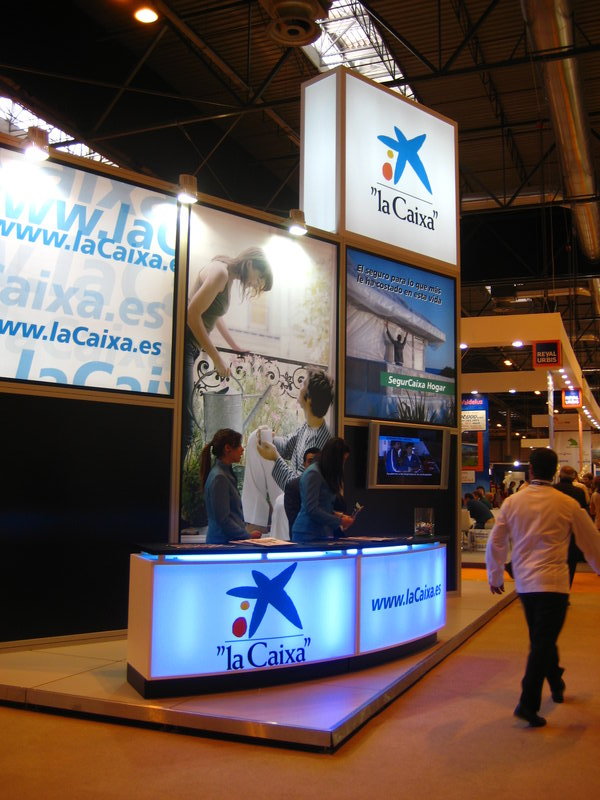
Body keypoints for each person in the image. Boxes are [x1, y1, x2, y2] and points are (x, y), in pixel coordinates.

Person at [486, 447, 600, 728]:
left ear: (531, 470)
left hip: (525, 584)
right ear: (555, 471)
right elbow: (590, 541)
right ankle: (528, 703)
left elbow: (496, 541)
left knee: (542, 639)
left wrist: (495, 575)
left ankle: (556, 681)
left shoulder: (512, 502)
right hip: (555, 583)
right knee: (543, 640)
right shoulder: (567, 504)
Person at [241, 369, 334, 531]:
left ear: (309, 399)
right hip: (291, 487)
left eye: (303, 384)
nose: (300, 387)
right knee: (256, 437)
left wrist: (275, 457)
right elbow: (287, 446)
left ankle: (258, 522)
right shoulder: (309, 426)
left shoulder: (319, 443)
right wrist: (269, 437)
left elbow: (301, 488)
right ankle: (256, 521)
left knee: (280, 501)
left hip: (298, 500)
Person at [187, 247, 273, 379]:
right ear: (249, 264)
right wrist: (217, 359)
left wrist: (234, 346)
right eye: (259, 278)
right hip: (187, 342)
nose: (255, 284)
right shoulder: (221, 273)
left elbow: (214, 312)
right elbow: (191, 314)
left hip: (192, 345)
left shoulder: (228, 274)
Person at [199, 428, 262, 544]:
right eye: (239, 445)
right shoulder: (220, 477)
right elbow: (223, 520)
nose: (242, 449)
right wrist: (247, 536)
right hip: (222, 544)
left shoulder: (223, 474)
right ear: (227, 448)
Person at [291, 438, 355, 543]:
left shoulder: (322, 473)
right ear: (335, 458)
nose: (343, 464)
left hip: (320, 533)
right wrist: (340, 521)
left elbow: (323, 505)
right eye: (343, 460)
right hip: (307, 534)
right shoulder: (313, 473)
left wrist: (338, 515)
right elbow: (312, 509)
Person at [554, 465, 587, 586]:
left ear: (560, 475)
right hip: (572, 534)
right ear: (573, 477)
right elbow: (583, 513)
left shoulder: (552, 490)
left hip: (554, 533)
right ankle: (567, 587)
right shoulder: (579, 492)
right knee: (571, 564)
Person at [283, 447, 320, 533]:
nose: (313, 466)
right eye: (310, 461)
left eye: (316, 462)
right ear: (304, 464)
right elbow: (293, 518)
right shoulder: (293, 486)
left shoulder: (326, 485)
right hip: (302, 535)